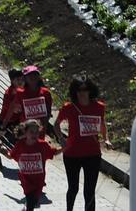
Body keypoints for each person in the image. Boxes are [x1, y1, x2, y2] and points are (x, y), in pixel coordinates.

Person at [54, 75, 109, 211]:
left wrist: (106, 138)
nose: (81, 93)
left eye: (84, 89)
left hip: (93, 154)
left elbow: (102, 124)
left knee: (89, 191)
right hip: (72, 154)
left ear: (90, 91)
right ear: (74, 92)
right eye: (78, 90)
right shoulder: (69, 107)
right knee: (73, 188)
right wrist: (61, 138)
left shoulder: (99, 107)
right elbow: (56, 124)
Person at [7, 119, 56, 210]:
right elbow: (12, 155)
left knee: (33, 201)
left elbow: (52, 152)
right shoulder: (20, 144)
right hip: (26, 178)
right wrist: (3, 151)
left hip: (39, 179)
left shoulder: (43, 145)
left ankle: (25, 208)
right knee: (30, 201)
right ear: (25, 132)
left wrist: (66, 147)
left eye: (37, 132)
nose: (34, 134)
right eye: (31, 132)